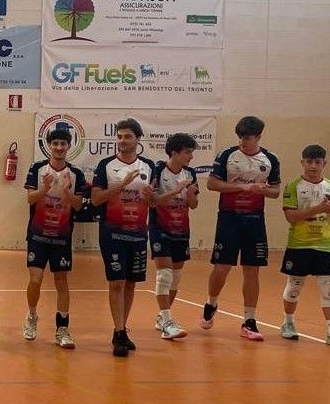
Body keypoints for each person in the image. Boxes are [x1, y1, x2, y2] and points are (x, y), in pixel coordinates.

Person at [203, 116, 281, 340]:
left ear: (258, 137)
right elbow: (212, 184)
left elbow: (275, 191)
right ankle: (211, 303)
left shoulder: (271, 159)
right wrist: (242, 187)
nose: (242, 142)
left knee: (252, 270)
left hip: (255, 220)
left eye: (247, 138)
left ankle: (249, 320)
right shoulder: (227, 155)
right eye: (240, 138)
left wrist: (262, 190)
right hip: (229, 218)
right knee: (222, 267)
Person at [279, 145, 330, 348]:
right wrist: (319, 208)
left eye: (317, 162)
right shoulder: (293, 186)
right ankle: (288, 323)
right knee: (294, 286)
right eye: (309, 162)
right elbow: (291, 216)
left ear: (324, 163)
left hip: (325, 245)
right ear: (302, 163)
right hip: (299, 244)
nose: (313, 166)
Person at [91, 118, 154, 357]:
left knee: (130, 283)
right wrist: (122, 185)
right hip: (113, 231)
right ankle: (118, 332)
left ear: (138, 139)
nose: (122, 140)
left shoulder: (149, 166)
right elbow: (96, 199)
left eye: (127, 136)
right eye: (119, 136)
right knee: (116, 282)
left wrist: (150, 196)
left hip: (138, 233)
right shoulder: (105, 165)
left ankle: (123, 328)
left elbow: (153, 202)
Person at [23, 128, 86, 349]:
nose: (59, 147)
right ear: (49, 145)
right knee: (35, 279)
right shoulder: (37, 169)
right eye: (55, 143)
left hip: (62, 236)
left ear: (69, 146)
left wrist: (67, 191)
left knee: (61, 281)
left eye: (63, 144)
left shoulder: (76, 173)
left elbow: (78, 205)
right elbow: (30, 199)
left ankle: (62, 328)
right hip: (38, 235)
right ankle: (32, 316)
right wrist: (44, 188)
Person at [150, 133, 199, 341]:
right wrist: (177, 190)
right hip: (160, 228)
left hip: (182, 229)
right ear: (174, 152)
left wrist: (190, 195)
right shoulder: (157, 170)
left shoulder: (190, 173)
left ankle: (162, 318)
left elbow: (194, 205)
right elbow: (153, 201)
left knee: (176, 278)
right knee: (164, 275)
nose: (191, 157)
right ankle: (168, 321)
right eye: (187, 152)